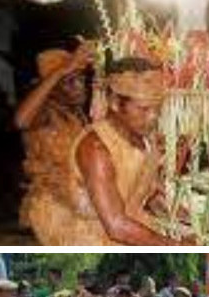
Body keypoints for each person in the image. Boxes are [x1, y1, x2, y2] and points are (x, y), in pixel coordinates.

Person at [69, 57, 189, 245]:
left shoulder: (144, 138)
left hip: (133, 228)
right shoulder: (95, 148)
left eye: (158, 109)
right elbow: (116, 226)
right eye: (144, 109)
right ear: (115, 103)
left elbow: (148, 195)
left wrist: (192, 221)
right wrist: (177, 245)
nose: (153, 118)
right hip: (97, 239)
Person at [15, 43, 93, 238]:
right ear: (51, 87)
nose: (79, 87)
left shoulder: (78, 115)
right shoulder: (45, 113)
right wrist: (60, 72)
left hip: (80, 199)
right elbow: (20, 120)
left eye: (81, 79)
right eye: (69, 82)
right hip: (53, 204)